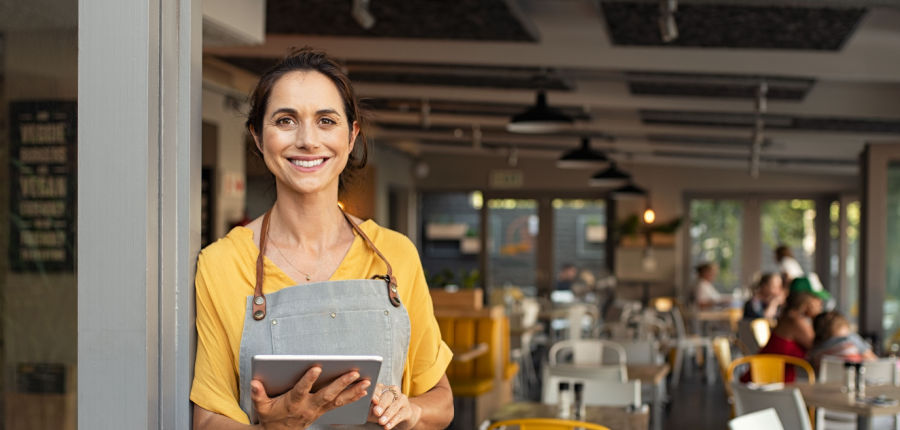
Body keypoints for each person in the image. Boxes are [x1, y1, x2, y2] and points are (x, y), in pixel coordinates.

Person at [190, 48, 454, 430]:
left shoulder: (395, 255)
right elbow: (207, 420)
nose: (308, 140)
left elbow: (441, 401)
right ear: (258, 137)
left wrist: (411, 411)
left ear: (351, 136)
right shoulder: (223, 264)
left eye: (326, 121)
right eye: (285, 120)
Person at [754, 291, 823, 382]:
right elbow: (818, 346)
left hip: (772, 377)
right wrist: (820, 318)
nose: (820, 308)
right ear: (807, 304)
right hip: (768, 380)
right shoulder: (795, 321)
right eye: (818, 304)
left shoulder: (789, 317)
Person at [807, 311, 877, 370]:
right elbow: (873, 361)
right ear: (843, 326)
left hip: (827, 382)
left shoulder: (815, 351)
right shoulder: (851, 339)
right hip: (853, 379)